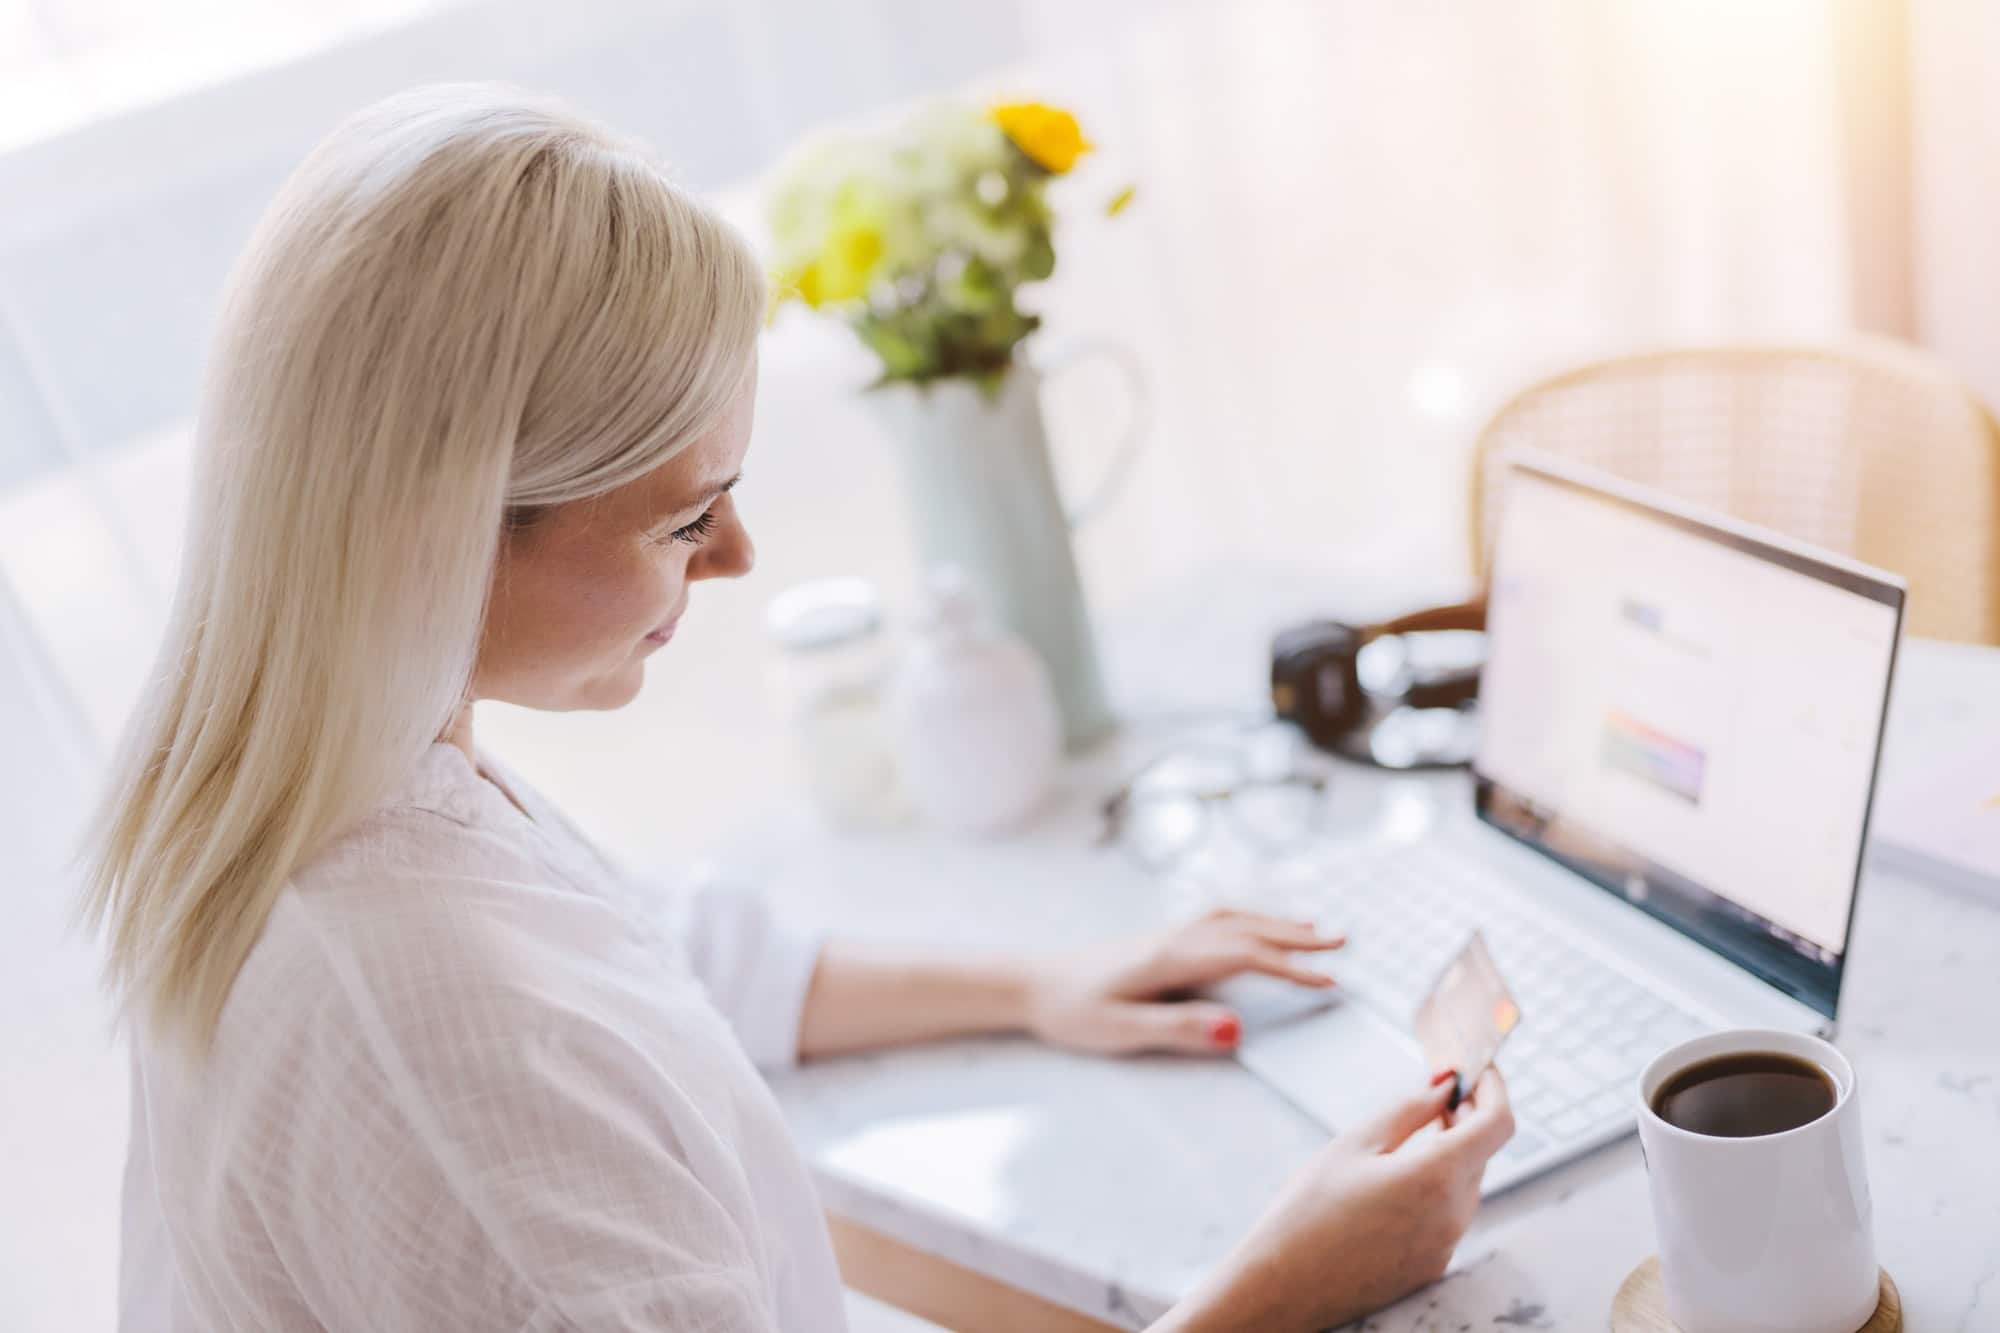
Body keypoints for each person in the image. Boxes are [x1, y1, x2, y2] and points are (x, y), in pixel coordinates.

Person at [82, 83, 1512, 1333]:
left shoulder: (357, 776)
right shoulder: (434, 1032)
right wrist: (1288, 1282)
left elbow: (661, 947)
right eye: (685, 514)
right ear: (447, 523)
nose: (736, 557)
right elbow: (544, 1027)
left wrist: (1039, 982)